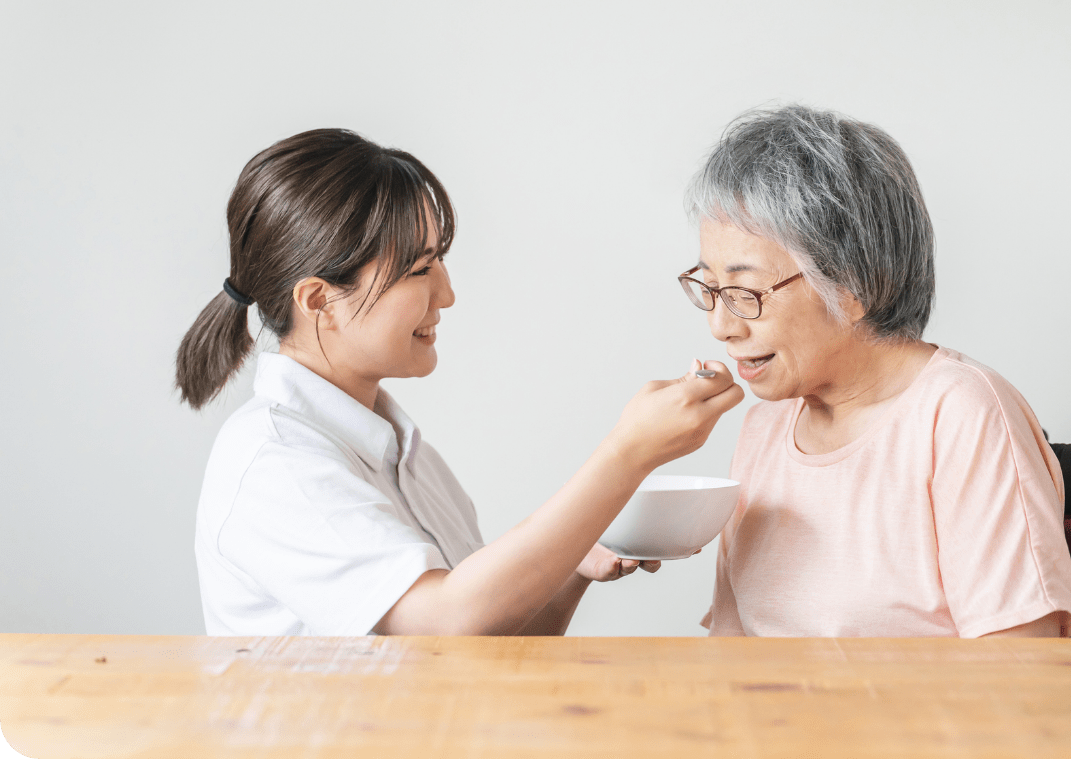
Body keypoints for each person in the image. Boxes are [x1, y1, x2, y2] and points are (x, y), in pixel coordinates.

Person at [177, 128, 742, 636]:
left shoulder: (400, 453)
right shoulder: (276, 463)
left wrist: (573, 566)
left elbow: (484, 645)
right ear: (319, 300)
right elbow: (446, 623)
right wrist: (629, 453)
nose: (446, 294)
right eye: (420, 269)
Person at [680, 105, 1071, 638]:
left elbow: (1020, 675)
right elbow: (729, 652)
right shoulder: (763, 429)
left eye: (745, 292)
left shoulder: (960, 414)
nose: (720, 327)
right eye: (709, 287)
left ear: (853, 287)